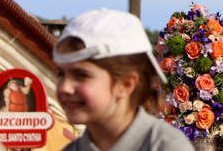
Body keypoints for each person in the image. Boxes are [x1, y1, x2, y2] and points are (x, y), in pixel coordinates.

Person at [53, 8, 194, 151]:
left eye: (81, 75)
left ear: (126, 84)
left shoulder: (166, 146)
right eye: (60, 74)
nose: (65, 87)